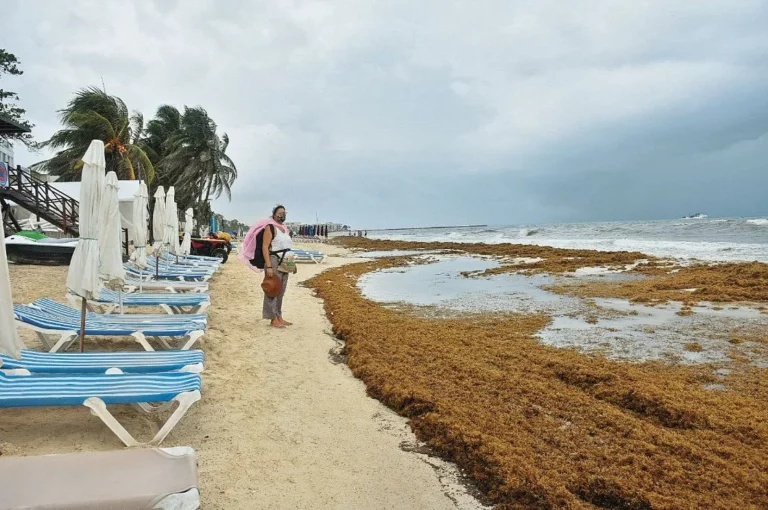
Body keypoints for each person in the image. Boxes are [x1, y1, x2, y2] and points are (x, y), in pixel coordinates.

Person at [260, 205, 294, 328]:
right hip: (273, 260)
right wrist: (268, 266)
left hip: (286, 260)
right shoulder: (270, 228)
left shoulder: (286, 229)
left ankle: (279, 316)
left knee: (281, 290)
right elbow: (265, 247)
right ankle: (273, 318)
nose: (282, 215)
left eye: (284, 213)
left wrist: (292, 264)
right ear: (274, 214)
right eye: (280, 212)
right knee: (273, 289)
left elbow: (287, 247)